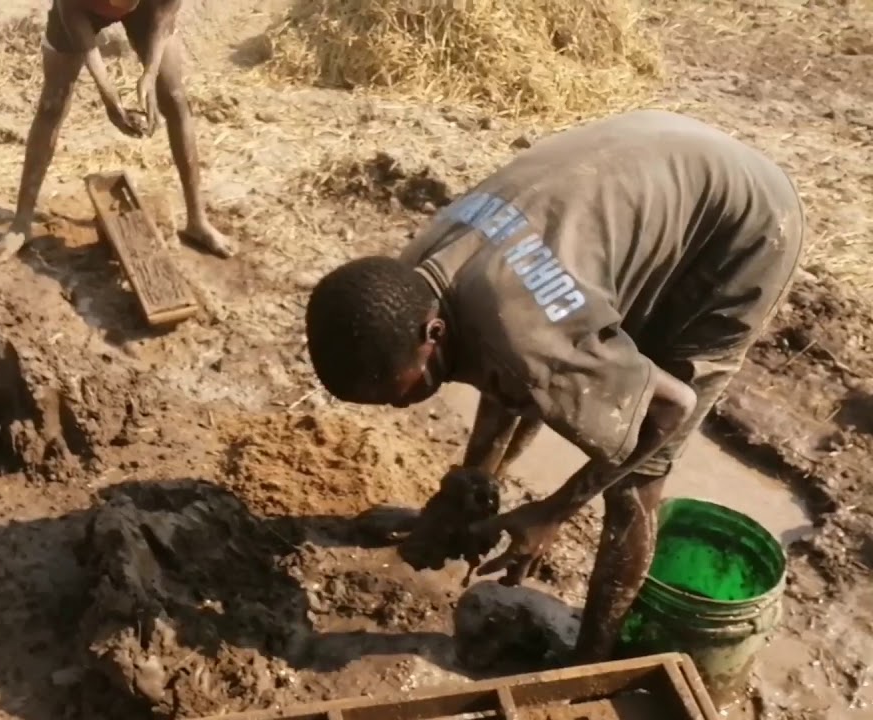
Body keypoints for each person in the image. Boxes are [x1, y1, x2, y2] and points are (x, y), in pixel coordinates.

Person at [303, 109, 804, 663]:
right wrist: (464, 491)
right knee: (555, 361)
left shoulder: (525, 329)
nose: (400, 405)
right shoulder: (415, 276)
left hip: (743, 229)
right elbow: (504, 368)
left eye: (400, 391)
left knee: (636, 483)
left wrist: (553, 512)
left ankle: (589, 662)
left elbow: (670, 409)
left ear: (432, 332)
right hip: (653, 160)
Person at [0, 0, 234, 262]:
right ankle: (21, 224)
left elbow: (164, 16)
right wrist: (110, 98)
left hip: (149, 9)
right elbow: (79, 31)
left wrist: (149, 75)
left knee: (174, 97)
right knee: (52, 104)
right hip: (77, 9)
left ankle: (198, 220)